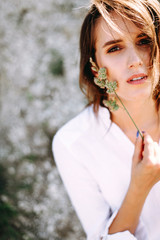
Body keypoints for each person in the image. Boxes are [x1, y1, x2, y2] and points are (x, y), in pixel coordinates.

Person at [52, 0, 160, 239]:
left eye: (144, 41)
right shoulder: (73, 143)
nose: (135, 60)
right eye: (114, 48)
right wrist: (139, 187)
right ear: (95, 68)